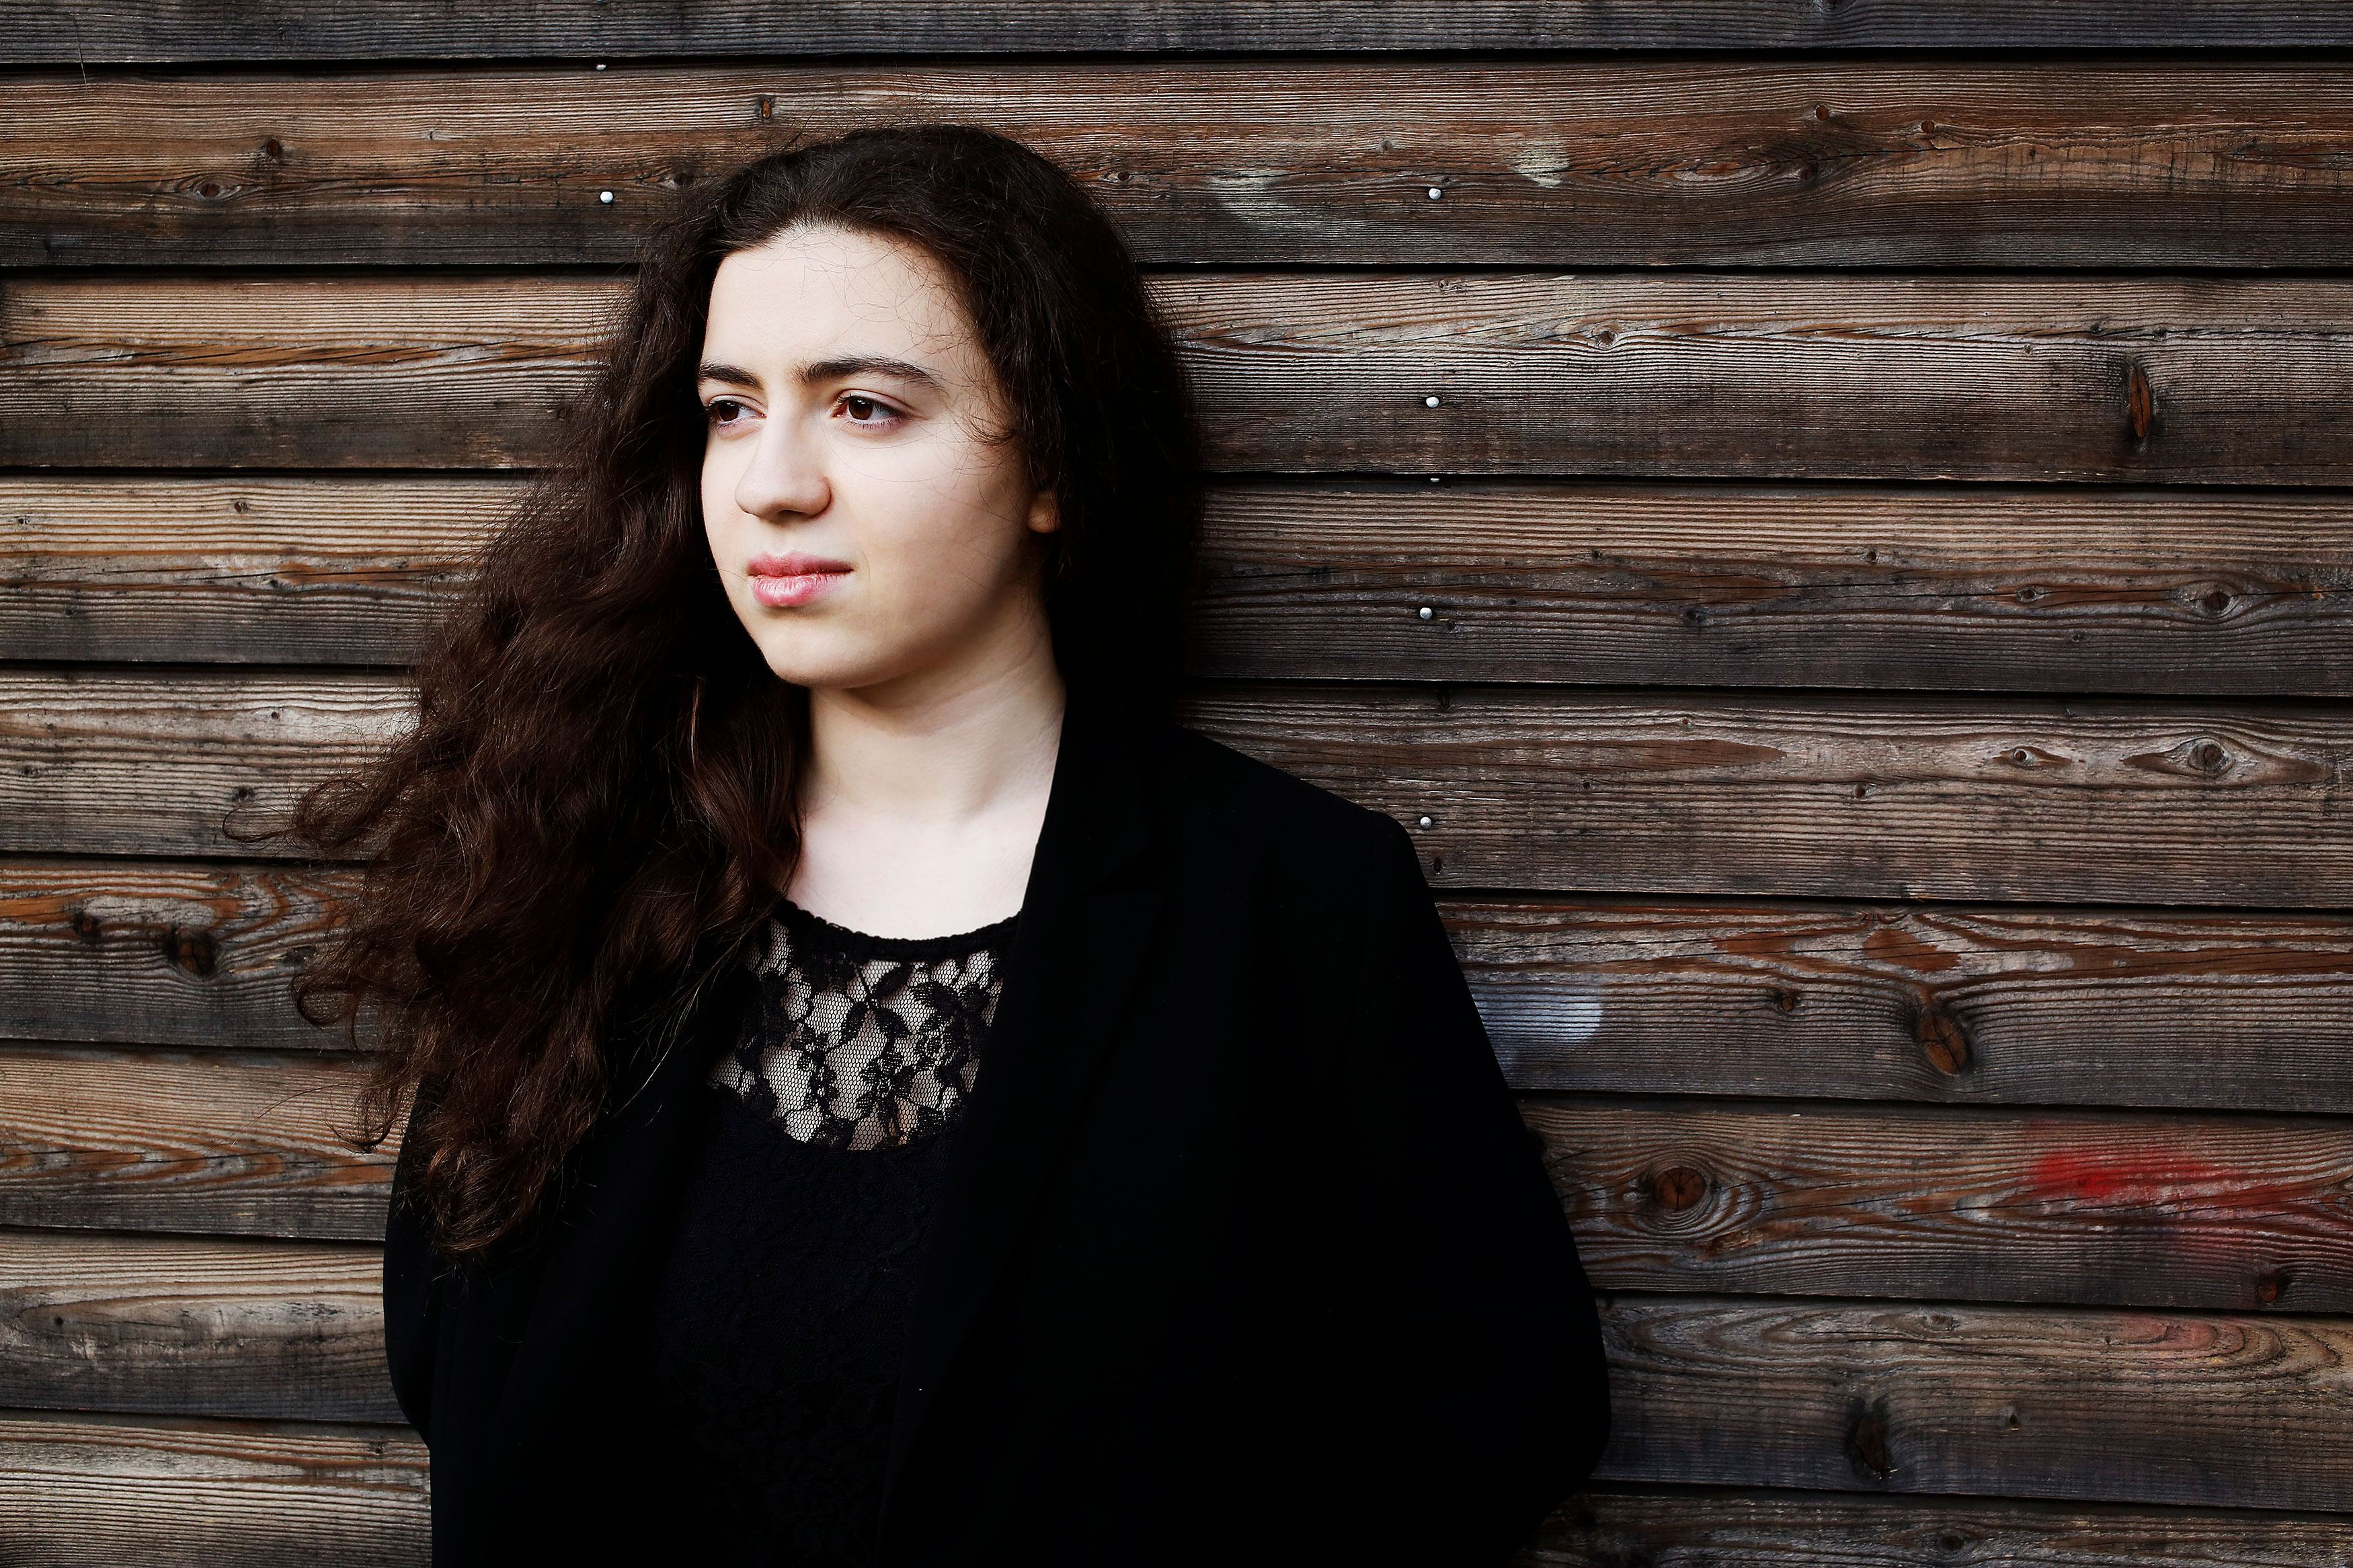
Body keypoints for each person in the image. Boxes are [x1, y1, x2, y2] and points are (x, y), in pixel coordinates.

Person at [286, 123, 1609, 1567]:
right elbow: (463, 1368)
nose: (772, 482)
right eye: (729, 409)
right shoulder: (585, 866)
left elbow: (1500, 1419)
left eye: (864, 407)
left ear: (1051, 463)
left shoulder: (1296, 903)